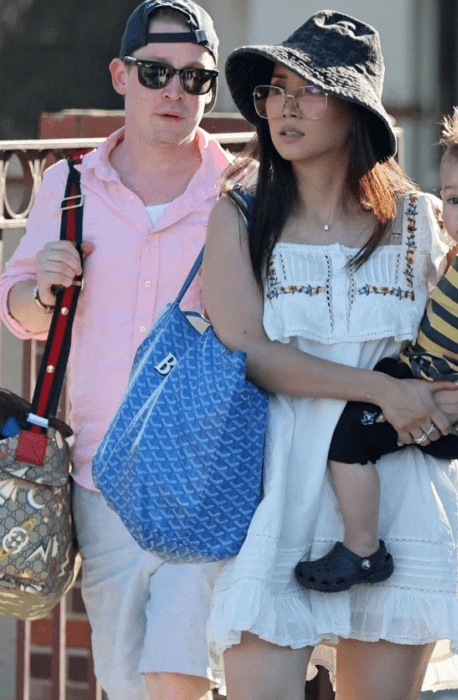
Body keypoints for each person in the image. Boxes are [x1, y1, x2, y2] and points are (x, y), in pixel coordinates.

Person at [202, 10, 458, 700]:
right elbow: (249, 351)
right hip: (276, 492)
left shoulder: (423, 219)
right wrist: (383, 391)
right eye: (274, 89)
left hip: (401, 497)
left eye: (307, 89)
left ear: (355, 113)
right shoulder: (239, 210)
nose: (283, 105)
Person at [0, 2, 231, 698]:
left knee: (180, 674)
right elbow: (18, 313)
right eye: (157, 72)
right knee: (126, 680)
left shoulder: (239, 190)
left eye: (195, 79)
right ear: (120, 75)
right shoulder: (67, 185)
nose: (174, 92)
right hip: (101, 476)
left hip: (207, 476)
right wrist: (42, 287)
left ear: (210, 91)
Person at [295, 101, 458, 594]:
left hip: (443, 395)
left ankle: (363, 550)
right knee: (437, 464)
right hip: (424, 376)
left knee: (346, 443)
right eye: (453, 199)